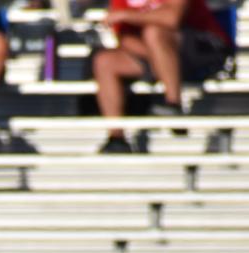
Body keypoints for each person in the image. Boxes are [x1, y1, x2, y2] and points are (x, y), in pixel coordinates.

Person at [93, 0, 233, 153]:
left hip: (202, 47)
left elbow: (172, 18)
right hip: (154, 53)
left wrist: (127, 15)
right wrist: (159, 59)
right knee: (104, 62)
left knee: (154, 32)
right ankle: (116, 138)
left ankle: (174, 104)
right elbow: (125, 39)